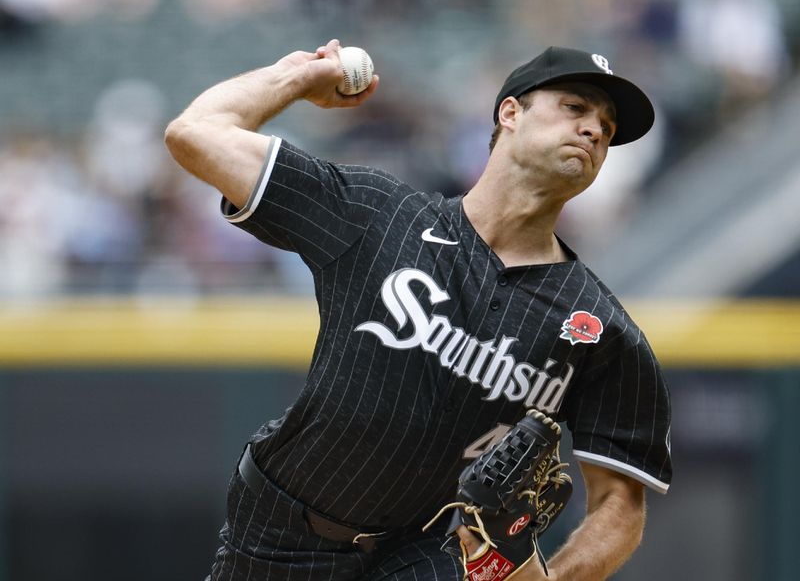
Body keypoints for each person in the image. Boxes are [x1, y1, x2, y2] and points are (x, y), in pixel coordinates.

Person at [164, 39, 672, 581]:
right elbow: (194, 134)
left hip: (421, 555)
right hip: (279, 535)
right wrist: (296, 80)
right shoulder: (378, 215)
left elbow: (620, 505)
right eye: (575, 108)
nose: (595, 130)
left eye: (607, 127)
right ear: (510, 112)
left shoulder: (597, 326)